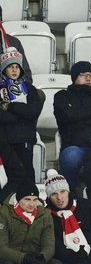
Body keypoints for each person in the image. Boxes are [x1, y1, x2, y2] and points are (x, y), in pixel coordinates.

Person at [0, 50, 42, 190]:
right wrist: (21, 111)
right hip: (5, 139)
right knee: (10, 175)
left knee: (27, 173)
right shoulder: (1, 90)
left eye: (17, 67)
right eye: (10, 67)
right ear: (3, 70)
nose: (14, 70)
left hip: (24, 137)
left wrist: (10, 106)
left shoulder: (30, 89)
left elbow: (33, 113)